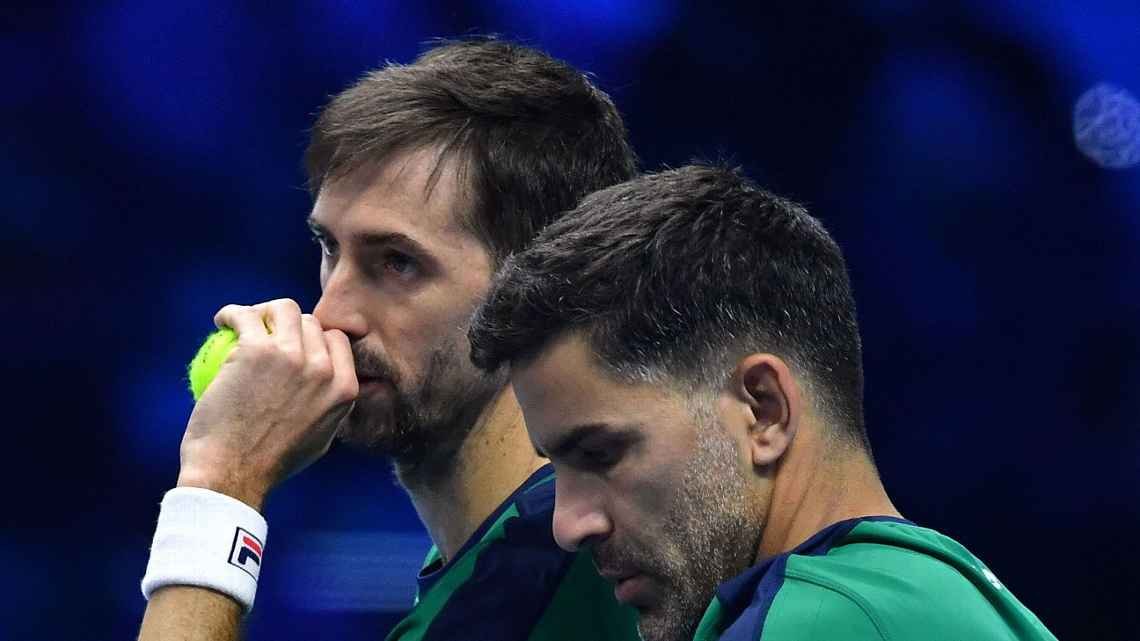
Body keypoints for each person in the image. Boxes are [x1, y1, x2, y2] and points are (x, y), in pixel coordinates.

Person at [137, 38, 640, 641]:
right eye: (329, 249)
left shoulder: (556, 586)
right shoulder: (491, 577)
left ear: (540, 289)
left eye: (397, 262)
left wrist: (223, 483)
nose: (331, 313)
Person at [468, 164, 1059, 641]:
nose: (568, 525)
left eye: (601, 453)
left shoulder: (825, 622)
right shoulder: (922, 593)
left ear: (763, 410)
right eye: (555, 466)